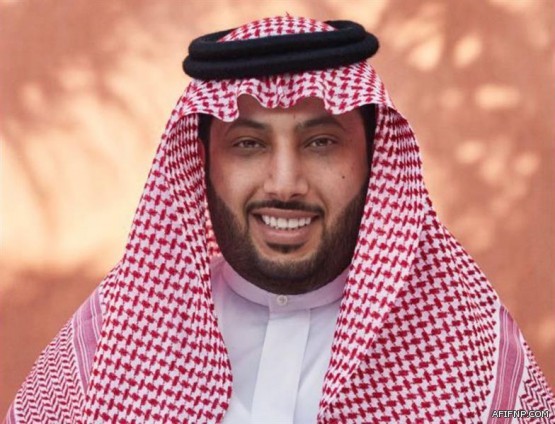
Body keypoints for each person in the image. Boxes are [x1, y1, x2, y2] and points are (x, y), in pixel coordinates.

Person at [5, 16, 554, 423]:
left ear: (374, 160)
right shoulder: (113, 339)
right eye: (248, 143)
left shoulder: (472, 348)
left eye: (321, 142)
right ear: (203, 163)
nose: (285, 183)